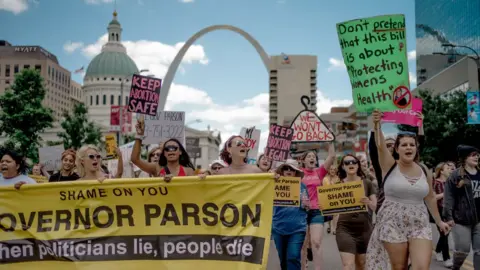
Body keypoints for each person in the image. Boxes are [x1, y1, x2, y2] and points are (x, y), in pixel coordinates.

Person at [366, 109, 449, 270]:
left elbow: (430, 197)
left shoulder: (424, 169)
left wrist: (439, 222)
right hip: (392, 221)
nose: (408, 147)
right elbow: (380, 147)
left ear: (416, 149)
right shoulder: (389, 165)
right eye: (404, 145)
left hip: (419, 222)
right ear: (397, 149)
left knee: (421, 267)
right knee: (400, 266)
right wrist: (377, 125)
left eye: (412, 145)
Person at [326, 154, 376, 270]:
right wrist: (324, 205)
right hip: (345, 229)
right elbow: (330, 209)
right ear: (343, 167)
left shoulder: (367, 183)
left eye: (353, 162)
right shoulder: (338, 186)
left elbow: (375, 207)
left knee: (362, 264)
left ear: (358, 165)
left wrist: (368, 202)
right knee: (347, 265)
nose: (351, 164)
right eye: (347, 163)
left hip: (365, 229)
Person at [443, 145, 480, 270]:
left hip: (478, 219)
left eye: (477, 155)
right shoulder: (456, 175)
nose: (476, 157)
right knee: (462, 250)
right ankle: (456, 267)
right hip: (461, 219)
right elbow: (448, 197)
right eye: (472, 154)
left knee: (479, 250)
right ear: (465, 158)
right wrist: (448, 216)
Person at [301, 143, 335, 270]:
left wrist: (330, 142)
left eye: (313, 157)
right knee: (303, 244)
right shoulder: (298, 173)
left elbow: (331, 156)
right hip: (301, 211)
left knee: (316, 242)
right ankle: (303, 267)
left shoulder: (319, 172)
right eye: (309, 156)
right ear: (303, 160)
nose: (312, 158)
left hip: (316, 211)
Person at [272, 159, 309, 270]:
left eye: (292, 169)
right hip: (279, 228)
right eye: (286, 168)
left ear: (295, 172)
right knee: (283, 260)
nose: (289, 171)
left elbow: (307, 207)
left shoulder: (302, 187)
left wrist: (306, 204)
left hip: (297, 228)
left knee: (293, 257)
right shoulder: (274, 183)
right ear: (282, 171)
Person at [433, 161, 455, 268]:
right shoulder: (435, 182)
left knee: (445, 233)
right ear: (441, 171)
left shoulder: (451, 183)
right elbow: (433, 198)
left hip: (449, 211)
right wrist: (445, 193)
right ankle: (447, 258)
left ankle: (438, 250)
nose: (451, 170)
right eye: (448, 168)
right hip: (438, 210)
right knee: (444, 233)